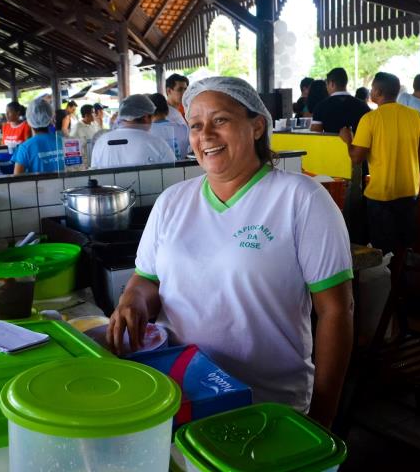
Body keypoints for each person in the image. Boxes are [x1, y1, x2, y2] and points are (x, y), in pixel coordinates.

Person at [107, 76, 353, 428]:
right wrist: (132, 301)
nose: (205, 135)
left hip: (266, 402)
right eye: (195, 125)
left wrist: (323, 416)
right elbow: (147, 280)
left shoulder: (301, 199)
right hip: (177, 391)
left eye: (220, 120)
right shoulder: (172, 202)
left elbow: (336, 311)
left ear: (256, 126)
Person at [339, 72, 420, 255]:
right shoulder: (415, 116)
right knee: (405, 247)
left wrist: (347, 139)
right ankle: (404, 281)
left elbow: (356, 158)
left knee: (383, 250)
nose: (371, 91)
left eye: (372, 88)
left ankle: (388, 283)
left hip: (381, 196)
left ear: (378, 91)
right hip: (410, 191)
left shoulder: (370, 119)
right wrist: (413, 173)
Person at [91, 94, 175, 168]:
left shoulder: (101, 141)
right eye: (151, 117)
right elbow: (172, 173)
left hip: (108, 186)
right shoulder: (156, 143)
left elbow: (94, 173)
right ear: (146, 117)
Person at [12, 96, 65, 174]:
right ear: (50, 117)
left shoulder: (25, 147)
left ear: (29, 119)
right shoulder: (63, 141)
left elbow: (16, 180)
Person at [310, 68, 371, 133]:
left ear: (332, 84)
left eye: (326, 84)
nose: (326, 88)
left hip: (329, 143)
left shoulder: (320, 107)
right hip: (357, 142)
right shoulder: (363, 106)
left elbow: (315, 134)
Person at [148, 92, 190, 160]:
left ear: (148, 112)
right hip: (182, 169)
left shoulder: (146, 132)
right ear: (167, 110)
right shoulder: (184, 129)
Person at [66, 104, 99, 170]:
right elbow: (71, 146)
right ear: (86, 115)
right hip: (84, 163)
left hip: (95, 158)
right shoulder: (77, 127)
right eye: (93, 112)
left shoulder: (95, 124)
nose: (95, 114)